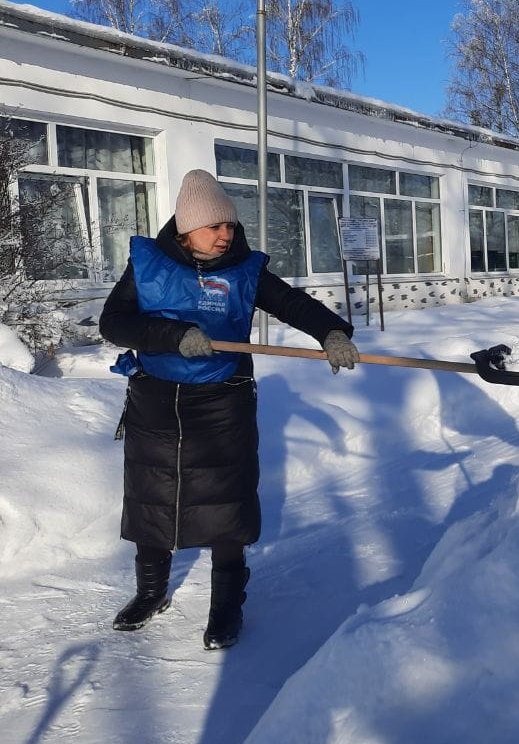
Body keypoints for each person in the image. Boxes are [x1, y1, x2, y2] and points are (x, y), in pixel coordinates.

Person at [100, 169, 361, 649]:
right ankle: (150, 593)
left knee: (227, 503)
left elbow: (293, 304)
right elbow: (114, 323)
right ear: (186, 229)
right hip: (157, 400)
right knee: (152, 497)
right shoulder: (148, 265)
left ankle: (225, 608)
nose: (226, 235)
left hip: (224, 398)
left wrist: (331, 331)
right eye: (215, 227)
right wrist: (174, 336)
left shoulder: (245, 269)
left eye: (230, 226)